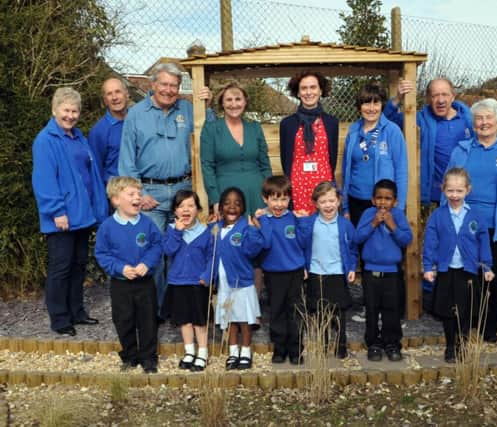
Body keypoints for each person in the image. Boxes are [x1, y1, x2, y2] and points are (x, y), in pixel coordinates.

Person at [118, 62, 210, 316]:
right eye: (165, 84)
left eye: (174, 86)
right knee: (155, 255)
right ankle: (158, 311)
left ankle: (181, 309)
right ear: (153, 85)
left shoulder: (187, 109)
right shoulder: (136, 114)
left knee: (184, 253)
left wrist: (207, 103)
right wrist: (138, 195)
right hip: (151, 195)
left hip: (183, 191)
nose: (169, 90)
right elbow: (127, 159)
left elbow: (209, 128)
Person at [446, 98, 497, 343]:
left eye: (488, 118)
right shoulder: (461, 150)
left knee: (490, 276)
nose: (483, 123)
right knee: (463, 274)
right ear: (473, 123)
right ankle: (467, 320)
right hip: (464, 223)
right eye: (479, 118)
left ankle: (489, 325)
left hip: (496, 226)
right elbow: (448, 185)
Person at [384, 77, 474, 296]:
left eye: (444, 94)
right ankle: (427, 293)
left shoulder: (468, 121)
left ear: (453, 96)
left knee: (456, 246)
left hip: (458, 196)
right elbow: (386, 120)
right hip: (428, 195)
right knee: (426, 246)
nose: (440, 100)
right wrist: (397, 98)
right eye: (435, 95)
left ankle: (456, 294)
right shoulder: (420, 118)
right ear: (427, 98)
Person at [32, 87, 108, 336]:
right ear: (55, 110)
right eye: (66, 110)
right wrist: (56, 211)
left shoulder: (79, 137)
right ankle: (60, 317)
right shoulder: (46, 140)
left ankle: (77, 311)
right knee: (61, 267)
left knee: (78, 265)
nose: (70, 115)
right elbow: (44, 179)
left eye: (75, 111)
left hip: (82, 214)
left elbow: (89, 174)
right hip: (62, 217)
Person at [423, 168, 494, 363]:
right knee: (447, 311)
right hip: (446, 271)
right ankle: (449, 347)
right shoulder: (437, 216)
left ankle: (462, 344)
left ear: (467, 191)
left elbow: (483, 241)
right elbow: (430, 242)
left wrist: (486, 266)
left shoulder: (475, 216)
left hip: (467, 271)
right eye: (450, 191)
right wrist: (428, 266)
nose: (454, 195)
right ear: (443, 190)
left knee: (465, 310)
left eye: (459, 191)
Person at [95, 177, 163, 373]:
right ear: (116, 200)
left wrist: (146, 263)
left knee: (148, 321)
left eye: (139, 194)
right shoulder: (107, 227)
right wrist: (120, 268)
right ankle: (130, 356)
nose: (138, 198)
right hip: (121, 284)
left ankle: (149, 357)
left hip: (145, 283)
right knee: (123, 321)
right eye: (131, 194)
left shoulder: (147, 224)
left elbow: (157, 246)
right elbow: (102, 254)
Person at [354, 179, 413, 362]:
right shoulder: (367, 214)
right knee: (372, 310)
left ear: (394, 201)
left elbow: (406, 239)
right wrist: (373, 223)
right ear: (373, 200)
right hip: (371, 272)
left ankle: (392, 343)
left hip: (392, 273)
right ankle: (374, 344)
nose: (382, 202)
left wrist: (392, 225)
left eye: (387, 199)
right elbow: (357, 237)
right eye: (379, 198)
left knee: (391, 310)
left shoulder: (398, 215)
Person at [298, 182, 358, 359]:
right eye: (323, 201)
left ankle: (341, 345)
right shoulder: (310, 223)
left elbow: (353, 248)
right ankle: (323, 345)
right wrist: (304, 266)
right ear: (316, 204)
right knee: (319, 312)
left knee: (338, 313)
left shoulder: (345, 225)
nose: (328, 205)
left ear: (339, 201)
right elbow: (301, 246)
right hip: (317, 273)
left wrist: (352, 267)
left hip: (337, 273)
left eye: (331, 200)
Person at [255, 175, 309, 365]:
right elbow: (267, 242)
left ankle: (296, 349)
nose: (279, 204)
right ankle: (280, 348)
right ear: (265, 199)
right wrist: (264, 220)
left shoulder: (293, 218)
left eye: (284, 199)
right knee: (276, 311)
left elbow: (303, 243)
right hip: (273, 273)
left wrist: (302, 222)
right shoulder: (262, 220)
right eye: (275, 199)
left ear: (289, 199)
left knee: (295, 312)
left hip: (294, 271)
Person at [200, 81, 273, 220]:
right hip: (227, 195)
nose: (234, 104)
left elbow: (265, 163)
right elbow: (207, 166)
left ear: (245, 102)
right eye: (229, 100)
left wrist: (269, 193)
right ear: (222, 103)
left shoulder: (255, 127)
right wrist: (215, 199)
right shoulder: (211, 129)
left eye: (238, 99)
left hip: (257, 193)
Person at [342, 82, 408, 225]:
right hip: (356, 201)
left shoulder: (392, 131)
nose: (371, 108)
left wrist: (399, 208)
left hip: (382, 204)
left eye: (376, 103)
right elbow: (346, 169)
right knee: (359, 244)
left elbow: (401, 170)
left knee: (380, 246)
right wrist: (345, 206)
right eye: (366, 103)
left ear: (382, 106)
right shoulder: (353, 131)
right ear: (359, 106)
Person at [212, 187, 264, 370]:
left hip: (242, 283)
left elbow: (253, 249)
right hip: (224, 286)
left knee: (244, 320)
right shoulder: (216, 229)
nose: (232, 207)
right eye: (226, 203)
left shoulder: (244, 228)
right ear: (220, 208)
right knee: (230, 320)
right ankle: (233, 352)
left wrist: (253, 230)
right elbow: (209, 253)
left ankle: (245, 351)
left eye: (237, 203)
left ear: (243, 208)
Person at [163, 190, 213, 372]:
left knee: (199, 321)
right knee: (184, 321)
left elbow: (211, 258)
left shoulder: (206, 232)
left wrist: (207, 276)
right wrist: (177, 232)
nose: (186, 210)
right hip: (178, 282)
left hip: (198, 283)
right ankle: (189, 351)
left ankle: (202, 352)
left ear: (198, 209)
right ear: (175, 211)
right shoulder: (171, 230)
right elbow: (168, 250)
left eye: (190, 205)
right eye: (181, 206)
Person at [280, 71, 339, 213]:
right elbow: (285, 159)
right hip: (297, 184)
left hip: (323, 183)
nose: (308, 92)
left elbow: (333, 157)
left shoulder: (331, 123)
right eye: (304, 88)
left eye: (313, 87)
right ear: (298, 93)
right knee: (301, 224)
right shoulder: (287, 124)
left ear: (320, 91)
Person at [89, 77, 130, 187]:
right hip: (115, 193)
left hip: (141, 189)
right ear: (105, 100)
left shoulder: (138, 121)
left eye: (118, 92)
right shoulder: (98, 131)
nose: (114, 97)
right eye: (109, 94)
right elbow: (95, 171)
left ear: (126, 94)